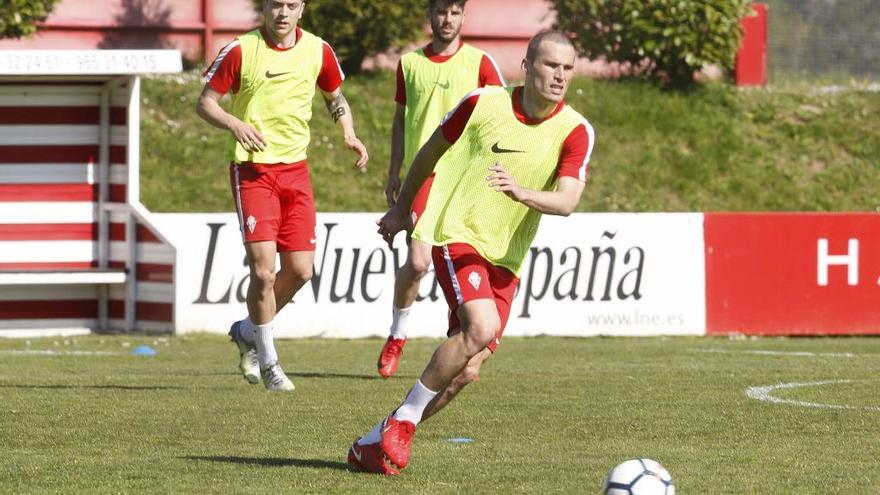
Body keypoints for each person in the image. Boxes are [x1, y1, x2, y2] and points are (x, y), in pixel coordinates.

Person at [347, 30, 595, 475]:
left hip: (506, 257)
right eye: (550, 65)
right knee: (481, 326)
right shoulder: (483, 103)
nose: (559, 76)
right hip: (456, 231)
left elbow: (568, 201)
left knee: (467, 370)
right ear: (527, 65)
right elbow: (428, 153)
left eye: (567, 68)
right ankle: (402, 422)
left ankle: (374, 438)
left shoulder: (575, 130)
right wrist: (404, 209)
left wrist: (521, 193)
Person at [196, 0, 368, 392]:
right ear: (266, 8)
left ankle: (247, 330)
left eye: (291, 5)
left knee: (303, 270)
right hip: (253, 172)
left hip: (296, 172)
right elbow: (205, 102)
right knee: (263, 271)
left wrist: (348, 131)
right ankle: (270, 363)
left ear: (302, 9)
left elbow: (334, 96)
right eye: (276, 4)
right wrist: (234, 123)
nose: (283, 13)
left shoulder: (318, 50)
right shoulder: (241, 50)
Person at [377, 0, 505, 378]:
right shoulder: (410, 64)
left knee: (470, 257)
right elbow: (400, 120)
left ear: (463, 16)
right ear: (429, 15)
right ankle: (397, 336)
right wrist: (394, 170)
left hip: (467, 179)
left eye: (453, 12)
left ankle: (463, 333)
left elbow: (503, 116)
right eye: (440, 12)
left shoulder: (482, 63)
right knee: (418, 262)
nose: (446, 20)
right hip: (426, 174)